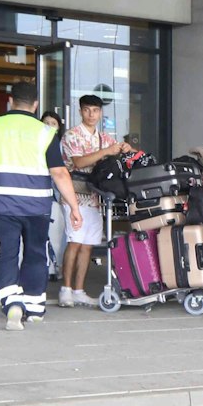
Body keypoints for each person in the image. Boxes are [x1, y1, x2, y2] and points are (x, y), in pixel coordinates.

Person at [0, 82, 82, 332]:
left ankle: (12, 302)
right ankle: (36, 307)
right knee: (35, 253)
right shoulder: (45, 132)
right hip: (37, 205)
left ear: (10, 101)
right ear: (35, 104)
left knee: (3, 253)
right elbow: (60, 173)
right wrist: (74, 207)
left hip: (2, 203)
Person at [60, 95, 131, 309]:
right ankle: (66, 289)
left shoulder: (104, 138)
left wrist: (126, 149)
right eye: (87, 110)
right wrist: (107, 151)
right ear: (80, 111)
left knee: (88, 245)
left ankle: (79, 290)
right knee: (75, 241)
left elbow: (119, 153)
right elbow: (78, 162)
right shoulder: (71, 135)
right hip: (75, 194)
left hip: (96, 197)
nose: (92, 114)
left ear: (101, 113)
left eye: (96, 110)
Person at [40, 111, 67, 279]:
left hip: (57, 196)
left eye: (53, 123)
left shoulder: (61, 145)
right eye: (46, 122)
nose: (49, 126)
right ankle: (49, 266)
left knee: (56, 234)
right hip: (44, 194)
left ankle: (54, 265)